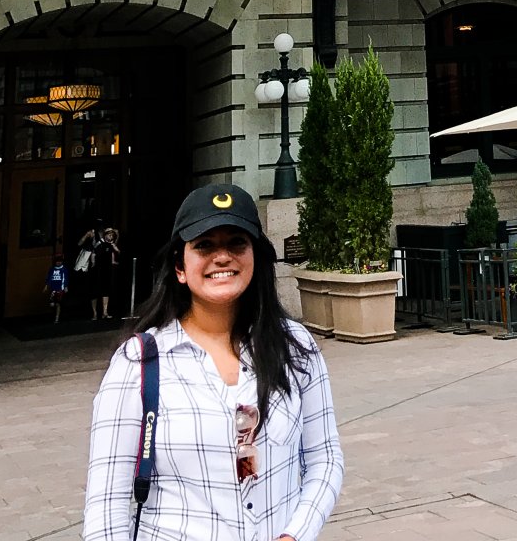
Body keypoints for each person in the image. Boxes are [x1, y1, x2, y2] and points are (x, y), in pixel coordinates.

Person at [82, 183, 343, 540]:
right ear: (180, 266)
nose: (222, 257)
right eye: (204, 245)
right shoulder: (138, 363)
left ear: (256, 257)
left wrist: (294, 534)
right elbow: (106, 510)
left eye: (237, 242)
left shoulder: (295, 347)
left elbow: (324, 460)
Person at [78, 222, 120, 320]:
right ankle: (95, 313)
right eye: (109, 234)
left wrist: (116, 237)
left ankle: (105, 312)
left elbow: (116, 250)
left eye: (112, 235)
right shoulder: (97, 240)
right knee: (94, 291)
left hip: (106, 269)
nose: (110, 236)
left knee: (106, 290)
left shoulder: (110, 243)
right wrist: (93, 263)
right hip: (96, 269)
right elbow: (91, 251)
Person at [45, 251, 69, 322]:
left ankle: (57, 317)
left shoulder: (64, 269)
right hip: (53, 289)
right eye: (57, 261)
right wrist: (46, 285)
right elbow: (49, 277)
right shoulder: (52, 269)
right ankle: (54, 315)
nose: (58, 263)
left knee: (58, 303)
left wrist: (65, 286)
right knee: (52, 304)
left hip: (60, 289)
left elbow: (65, 278)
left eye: (60, 261)